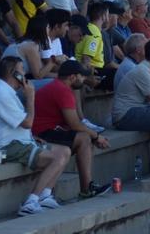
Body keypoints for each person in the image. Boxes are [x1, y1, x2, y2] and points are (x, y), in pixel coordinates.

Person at [0, 56, 71, 216]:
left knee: (64, 151)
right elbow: (28, 122)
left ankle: (45, 195)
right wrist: (31, 97)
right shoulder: (0, 93)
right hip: (5, 148)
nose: (24, 73)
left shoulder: (7, 91)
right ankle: (31, 201)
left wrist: (30, 137)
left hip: (19, 142)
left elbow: (22, 124)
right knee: (55, 159)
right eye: (22, 70)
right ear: (13, 73)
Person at [33, 60, 111, 198]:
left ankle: (87, 187)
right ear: (72, 77)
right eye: (82, 76)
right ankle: (87, 188)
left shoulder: (59, 86)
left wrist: (93, 136)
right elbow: (75, 124)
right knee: (84, 138)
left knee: (86, 137)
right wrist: (96, 136)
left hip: (49, 129)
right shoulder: (62, 90)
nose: (84, 79)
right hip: (42, 133)